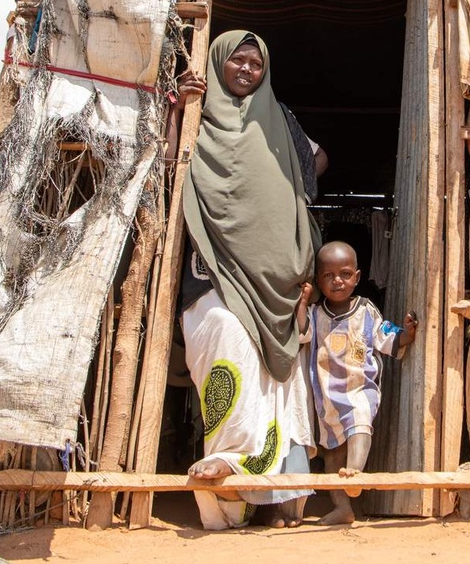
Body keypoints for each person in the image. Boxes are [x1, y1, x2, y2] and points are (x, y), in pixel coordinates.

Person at [169, 30, 326, 530]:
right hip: (213, 274)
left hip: (277, 287)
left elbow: (316, 159)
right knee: (230, 350)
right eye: (235, 61)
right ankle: (231, 485)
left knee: (282, 388)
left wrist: (290, 196)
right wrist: (178, 105)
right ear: (218, 64)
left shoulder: (280, 120)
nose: (245, 70)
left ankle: (280, 500)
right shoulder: (195, 113)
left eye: (255, 65)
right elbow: (166, 161)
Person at [295, 240, 418, 525]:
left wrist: (407, 334)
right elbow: (301, 335)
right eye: (329, 276)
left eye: (346, 274)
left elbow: (386, 336)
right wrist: (303, 302)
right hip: (326, 396)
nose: (338, 281)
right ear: (318, 280)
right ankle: (342, 507)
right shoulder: (315, 314)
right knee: (331, 457)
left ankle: (356, 473)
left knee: (360, 420)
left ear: (357, 277)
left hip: (359, 388)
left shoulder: (366, 310)